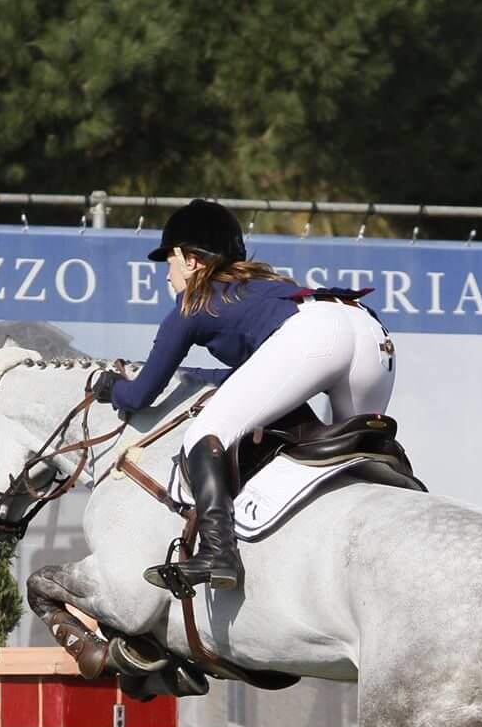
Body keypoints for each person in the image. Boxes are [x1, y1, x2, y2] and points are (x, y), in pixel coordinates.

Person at [94, 198, 395, 591]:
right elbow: (258, 376)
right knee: (355, 456)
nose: (167, 273)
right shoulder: (265, 286)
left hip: (315, 337)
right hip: (367, 328)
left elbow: (138, 396)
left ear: (193, 261)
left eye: (170, 259)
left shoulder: (192, 303)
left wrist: (109, 387)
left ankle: (219, 553)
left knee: (204, 434)